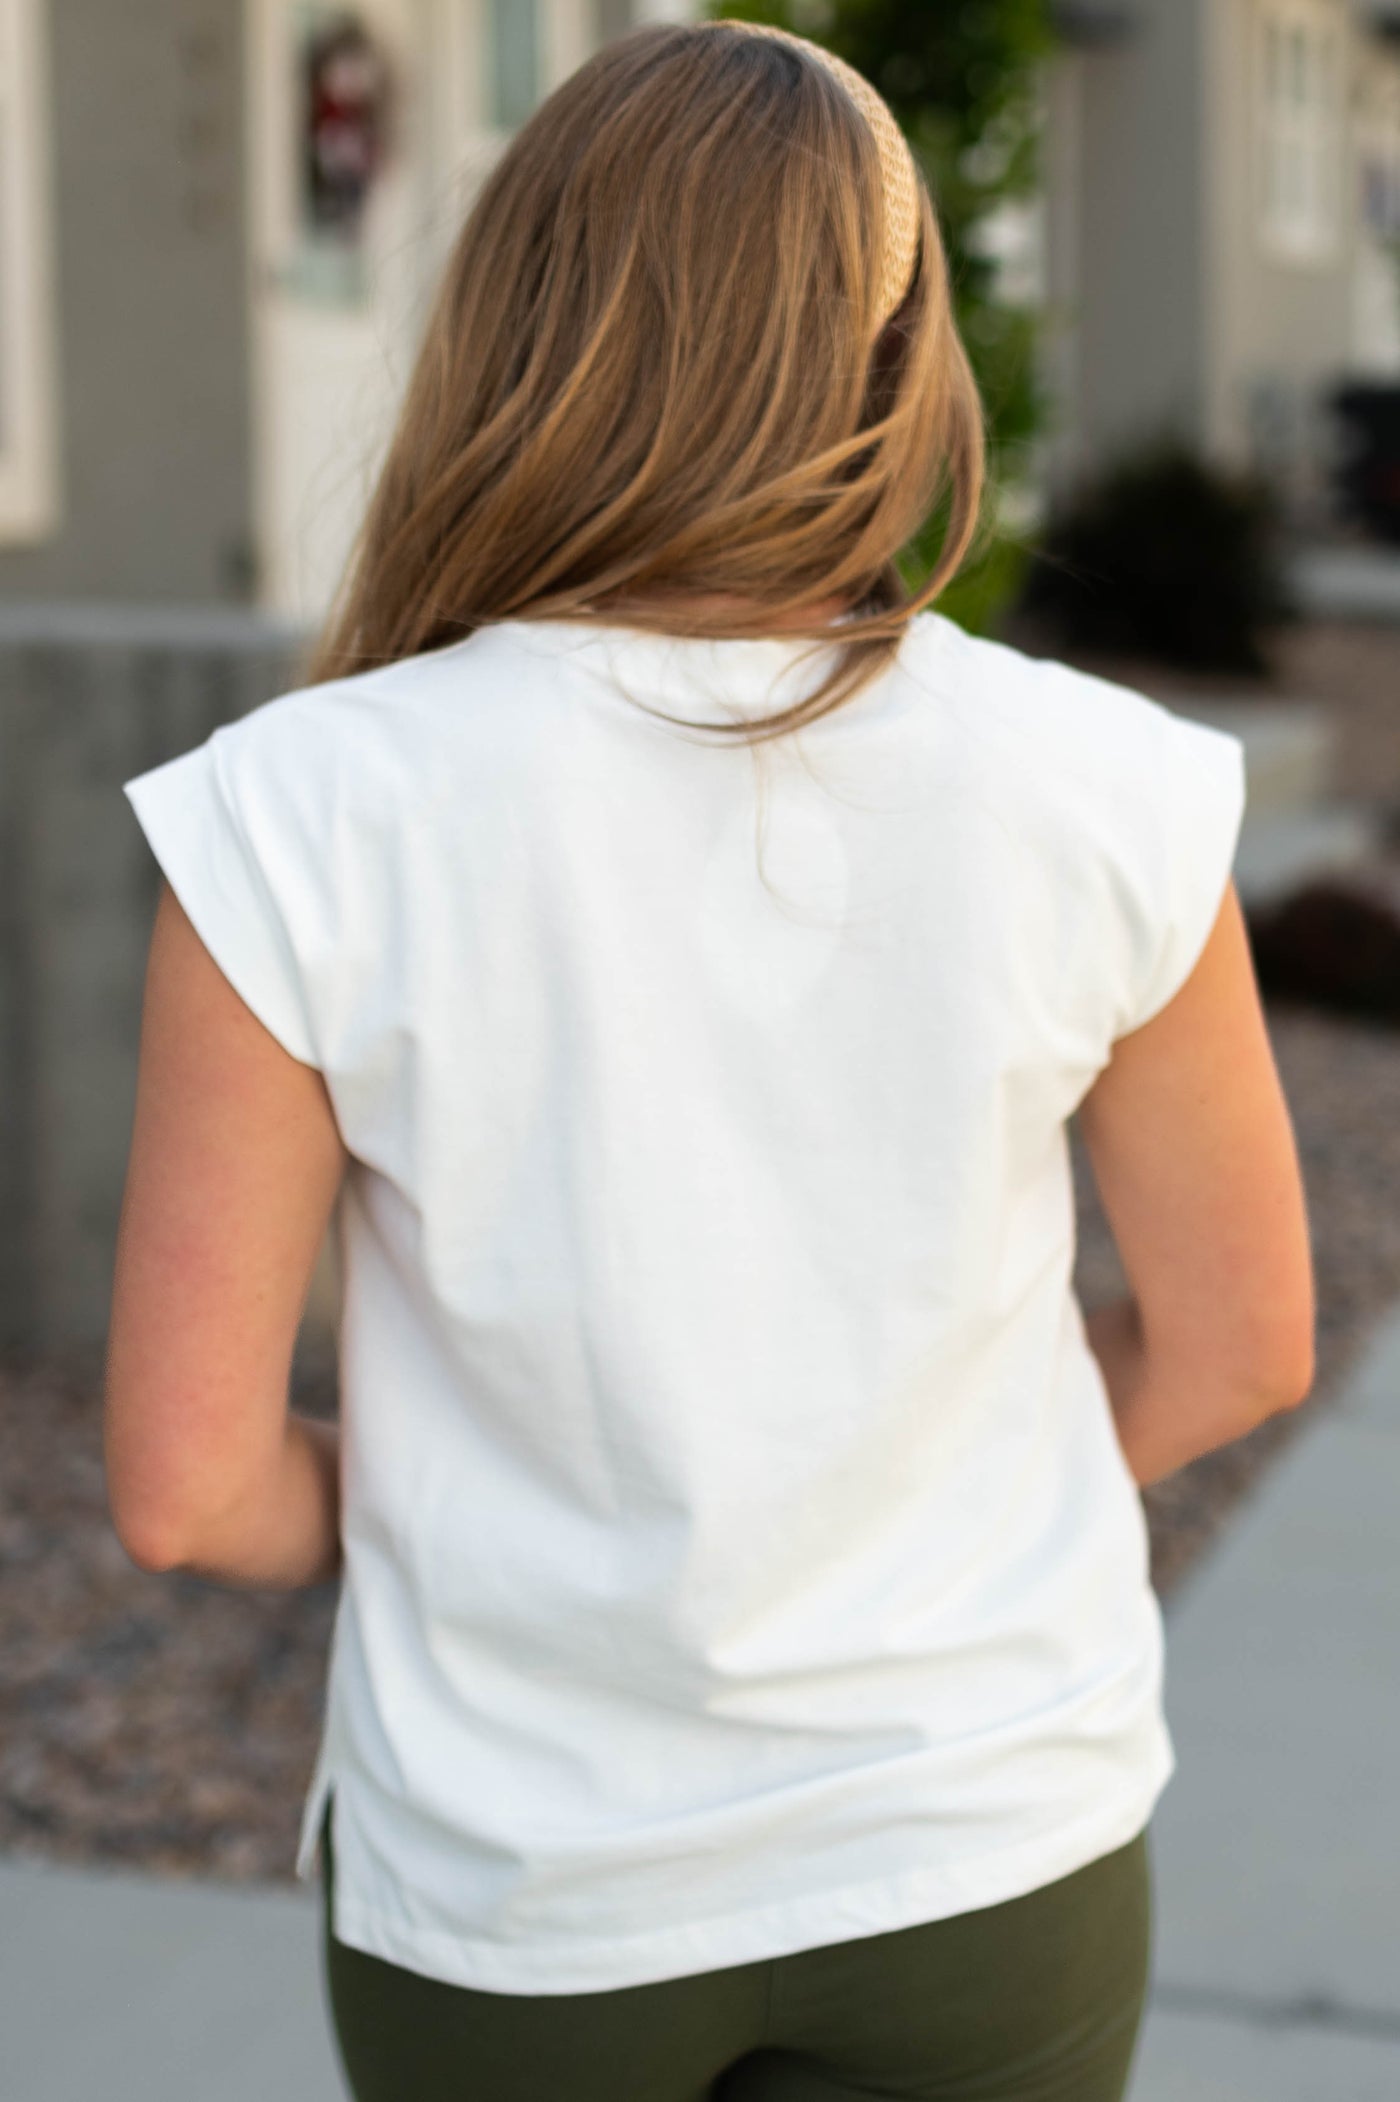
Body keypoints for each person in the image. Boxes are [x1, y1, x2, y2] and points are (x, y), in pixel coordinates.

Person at [106, 19, 1315, 2102]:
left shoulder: (292, 820)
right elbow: (1238, 1349)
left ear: (518, 325)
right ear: (902, 340)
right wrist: (883, 1505)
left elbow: (190, 1487)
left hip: (520, 1902)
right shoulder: (1103, 791)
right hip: (978, 1850)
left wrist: (493, 1544)